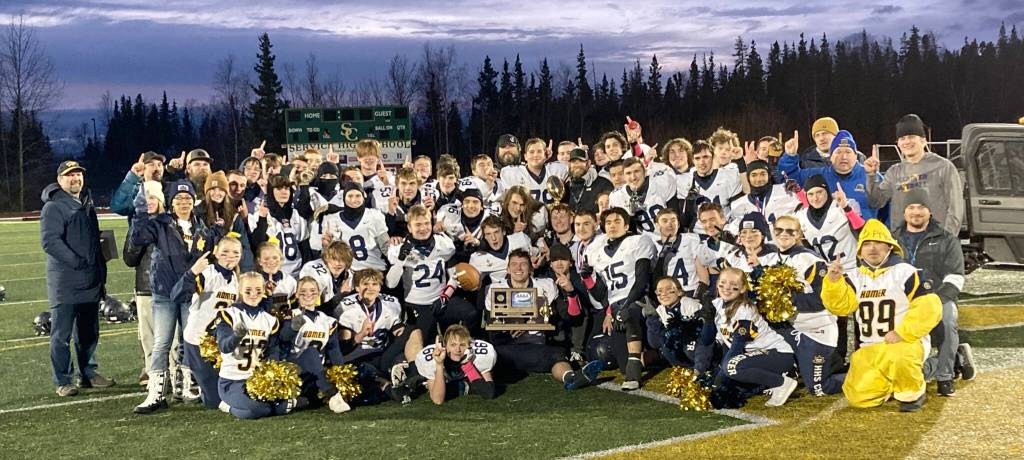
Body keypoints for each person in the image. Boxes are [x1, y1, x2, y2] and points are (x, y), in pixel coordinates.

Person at [821, 219, 942, 412]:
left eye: (878, 243)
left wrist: (903, 332)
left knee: (900, 359)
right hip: (870, 347)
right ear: (860, 249)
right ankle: (894, 381)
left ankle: (927, 374)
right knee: (859, 397)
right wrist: (834, 282)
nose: (872, 248)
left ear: (889, 246)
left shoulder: (905, 272)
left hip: (904, 343)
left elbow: (929, 306)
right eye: (867, 244)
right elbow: (840, 308)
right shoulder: (854, 277)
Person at [131, 180, 210, 404]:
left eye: (187, 198)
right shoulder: (160, 223)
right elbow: (137, 238)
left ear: (194, 201)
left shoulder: (202, 227)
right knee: (162, 342)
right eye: (179, 198)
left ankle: (184, 387)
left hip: (189, 292)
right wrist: (140, 210)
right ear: (171, 202)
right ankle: (155, 392)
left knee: (188, 340)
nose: (184, 202)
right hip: (165, 292)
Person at [891, 190, 975, 396]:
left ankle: (945, 376)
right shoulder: (892, 239)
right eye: (911, 207)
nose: (916, 212)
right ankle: (956, 358)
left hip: (937, 297)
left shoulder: (947, 239)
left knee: (947, 320)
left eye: (921, 207)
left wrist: (935, 302)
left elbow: (955, 277)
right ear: (904, 212)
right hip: (903, 301)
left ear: (930, 211)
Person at [484, 249, 604, 390]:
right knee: (489, 356)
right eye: (514, 264)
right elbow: (492, 331)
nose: (518, 268)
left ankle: (570, 379)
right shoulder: (495, 289)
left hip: (537, 348)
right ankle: (481, 384)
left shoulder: (545, 286)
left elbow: (572, 317)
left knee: (557, 355)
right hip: (506, 350)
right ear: (508, 269)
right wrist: (509, 329)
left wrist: (571, 292)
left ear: (531, 268)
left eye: (523, 264)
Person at [41, 160, 112, 397]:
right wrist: (77, 261)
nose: (75, 179)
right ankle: (63, 380)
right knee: (61, 336)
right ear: (60, 180)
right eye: (70, 175)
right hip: (65, 282)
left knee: (88, 333)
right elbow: (50, 242)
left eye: (78, 174)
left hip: (90, 280)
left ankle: (88, 374)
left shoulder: (86, 202)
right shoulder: (53, 207)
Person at [772, 216, 845, 396]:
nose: (784, 234)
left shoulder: (808, 259)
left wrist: (786, 301)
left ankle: (866, 375)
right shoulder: (775, 258)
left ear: (799, 235)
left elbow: (822, 300)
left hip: (816, 330)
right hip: (794, 329)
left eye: (790, 231)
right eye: (779, 230)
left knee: (818, 388)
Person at [584, 207, 655, 390]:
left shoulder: (638, 241)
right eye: (608, 222)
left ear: (626, 225)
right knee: (623, 364)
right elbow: (600, 295)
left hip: (639, 300)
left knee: (629, 314)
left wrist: (625, 306)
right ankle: (658, 356)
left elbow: (641, 281)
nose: (612, 226)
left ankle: (634, 375)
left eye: (617, 221)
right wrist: (588, 278)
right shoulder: (599, 253)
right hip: (616, 306)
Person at [711, 268, 798, 407]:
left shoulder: (744, 310)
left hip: (778, 355)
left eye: (733, 284)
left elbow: (736, 348)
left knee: (731, 368)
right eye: (723, 282)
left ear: (742, 288)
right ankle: (771, 381)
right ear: (717, 284)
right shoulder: (717, 304)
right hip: (754, 357)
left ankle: (782, 383)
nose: (727, 287)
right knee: (721, 382)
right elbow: (721, 343)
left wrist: (722, 377)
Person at [865, 114, 964, 234]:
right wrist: (871, 175)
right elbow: (876, 202)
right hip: (903, 241)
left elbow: (955, 208)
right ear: (898, 144)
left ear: (923, 141)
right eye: (902, 138)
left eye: (911, 137)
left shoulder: (943, 167)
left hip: (935, 240)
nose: (907, 141)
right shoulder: (894, 172)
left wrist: (947, 239)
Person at [216, 272, 296, 419]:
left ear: (264, 291)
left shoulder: (270, 320)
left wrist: (270, 378)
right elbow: (224, 347)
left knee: (283, 407)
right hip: (232, 381)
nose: (253, 294)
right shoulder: (229, 314)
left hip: (256, 379)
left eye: (258, 290)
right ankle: (227, 406)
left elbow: (272, 353)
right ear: (240, 290)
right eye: (248, 291)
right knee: (259, 410)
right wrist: (237, 335)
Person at [281, 277, 351, 413]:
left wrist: (342, 376)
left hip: (317, 374)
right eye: (303, 291)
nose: (308, 294)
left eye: (312, 291)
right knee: (311, 352)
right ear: (296, 294)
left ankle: (306, 399)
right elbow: (282, 339)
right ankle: (332, 395)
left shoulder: (328, 321)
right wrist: (293, 328)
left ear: (318, 293)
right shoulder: (290, 315)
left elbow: (334, 351)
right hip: (295, 371)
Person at [778, 130, 880, 220]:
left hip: (863, 234)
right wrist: (790, 157)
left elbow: (886, 206)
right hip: (828, 234)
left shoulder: (871, 176)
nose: (843, 157)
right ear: (830, 156)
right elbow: (789, 179)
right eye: (838, 152)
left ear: (855, 155)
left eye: (848, 152)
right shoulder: (818, 176)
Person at [408, 325, 498, 405]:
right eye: (453, 345)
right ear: (445, 345)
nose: (458, 349)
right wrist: (439, 364)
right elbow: (438, 400)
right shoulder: (433, 359)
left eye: (462, 345)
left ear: (469, 346)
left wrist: (468, 365)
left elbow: (488, 393)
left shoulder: (478, 357)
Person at [609, 157, 678, 234]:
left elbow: (676, 214)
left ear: (645, 172)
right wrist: (631, 215)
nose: (633, 177)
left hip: (670, 234)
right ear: (624, 177)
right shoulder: (617, 196)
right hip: (641, 239)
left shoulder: (662, 182)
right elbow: (626, 231)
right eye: (628, 173)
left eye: (637, 171)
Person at [500, 138, 568, 205]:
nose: (535, 155)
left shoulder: (557, 169)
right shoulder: (513, 173)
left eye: (539, 151)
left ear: (545, 155)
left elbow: (570, 167)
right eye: (531, 152)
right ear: (525, 156)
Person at [564, 147, 613, 214]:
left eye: (581, 161)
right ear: (569, 165)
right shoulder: (565, 187)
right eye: (573, 162)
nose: (577, 165)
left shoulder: (603, 184)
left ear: (588, 163)